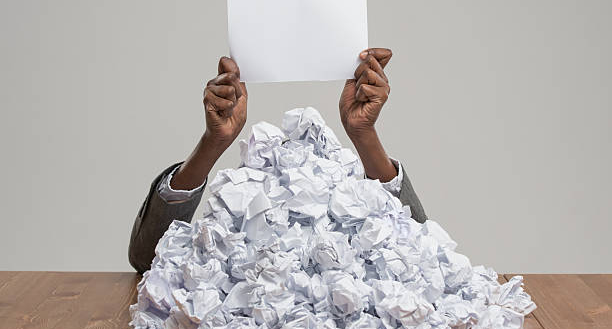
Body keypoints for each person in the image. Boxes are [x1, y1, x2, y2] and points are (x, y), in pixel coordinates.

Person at [128, 48, 426, 274]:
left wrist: (364, 134)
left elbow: (421, 256)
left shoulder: (351, 211)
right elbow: (145, 257)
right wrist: (213, 141)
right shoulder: (240, 212)